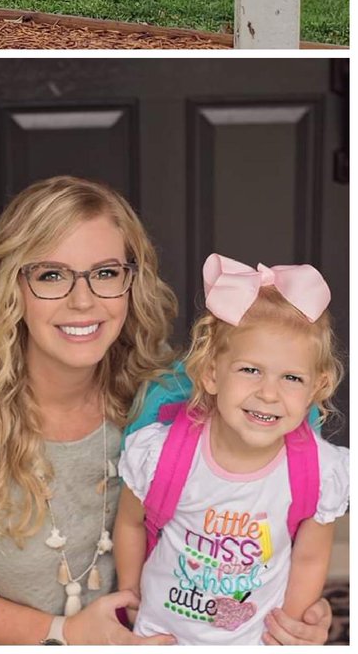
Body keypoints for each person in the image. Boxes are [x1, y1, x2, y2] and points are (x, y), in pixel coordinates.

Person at [0, 177, 335, 646]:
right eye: (51, 275)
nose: (82, 301)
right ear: (12, 286)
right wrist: (64, 633)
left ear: (132, 281)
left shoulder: (171, 397)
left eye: (105, 273)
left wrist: (296, 606)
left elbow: (266, 503)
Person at [115, 254, 348, 644]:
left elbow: (310, 557)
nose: (269, 393)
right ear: (211, 373)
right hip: (161, 635)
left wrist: (287, 628)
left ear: (318, 387)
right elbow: (129, 522)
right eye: (250, 370)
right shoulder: (162, 454)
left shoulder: (320, 472)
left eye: (291, 377)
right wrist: (130, 593)